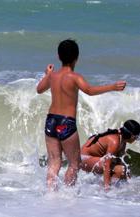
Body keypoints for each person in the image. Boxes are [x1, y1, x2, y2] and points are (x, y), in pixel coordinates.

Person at [36, 39, 126, 191]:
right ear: (76, 58)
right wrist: (112, 87)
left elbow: (39, 89)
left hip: (51, 120)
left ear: (59, 57)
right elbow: (89, 91)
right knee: (74, 163)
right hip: (66, 122)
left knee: (54, 162)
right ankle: (68, 195)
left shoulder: (52, 76)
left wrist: (47, 74)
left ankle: (51, 195)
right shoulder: (75, 77)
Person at [81, 120, 140, 190]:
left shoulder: (123, 141)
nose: (136, 139)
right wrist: (107, 188)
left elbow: (119, 162)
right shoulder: (115, 142)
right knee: (118, 169)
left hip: (95, 159)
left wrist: (128, 182)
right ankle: (105, 188)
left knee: (122, 169)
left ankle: (113, 189)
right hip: (83, 159)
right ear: (130, 135)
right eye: (136, 137)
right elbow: (106, 164)